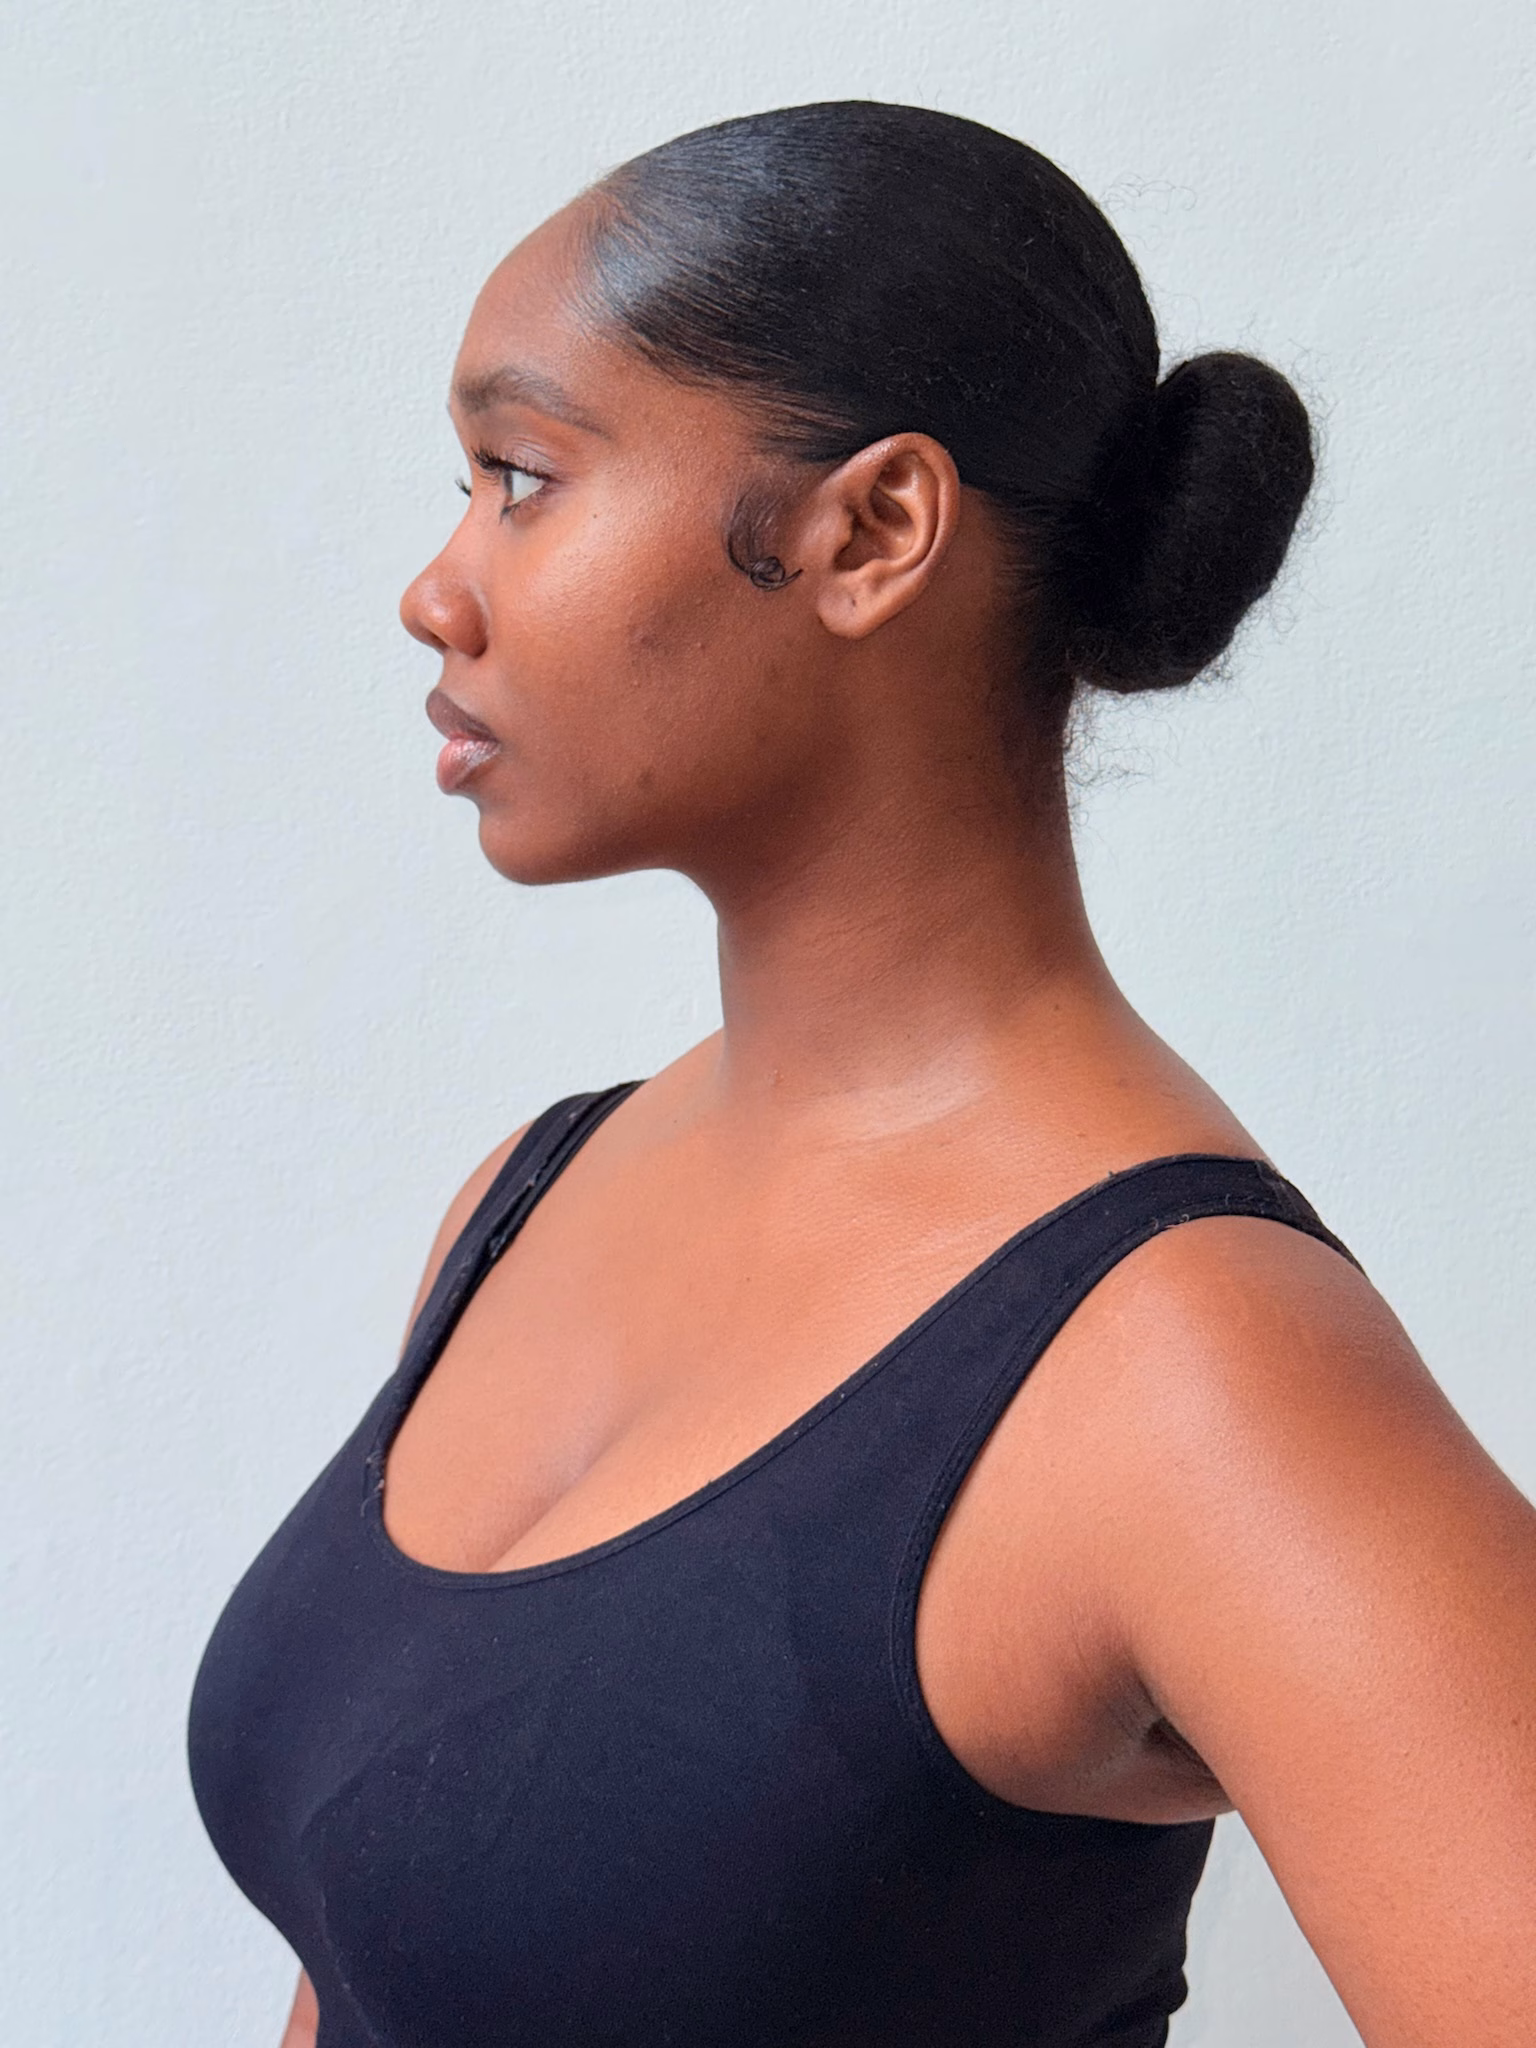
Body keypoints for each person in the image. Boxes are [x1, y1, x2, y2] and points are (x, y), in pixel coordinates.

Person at [186, 102, 1536, 2048]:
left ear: (874, 532)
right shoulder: (529, 1197)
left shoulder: (1190, 1371)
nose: (438, 588)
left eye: (523, 478)